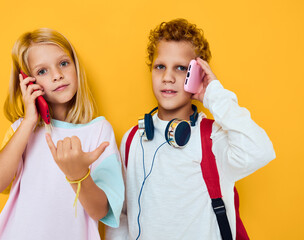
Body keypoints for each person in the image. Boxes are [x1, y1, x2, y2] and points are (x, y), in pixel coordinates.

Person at [105, 19, 275, 239]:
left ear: (197, 74)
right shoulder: (133, 139)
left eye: (181, 68)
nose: (167, 77)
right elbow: (123, 215)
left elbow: (260, 150)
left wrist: (214, 94)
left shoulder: (213, 137)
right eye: (160, 67)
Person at [0, 28, 124, 240]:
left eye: (63, 63)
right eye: (42, 71)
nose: (57, 75)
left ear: (76, 66)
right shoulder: (22, 131)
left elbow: (101, 211)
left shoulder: (98, 131)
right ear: (28, 82)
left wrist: (79, 175)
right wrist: (30, 121)